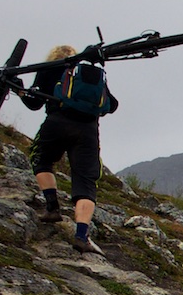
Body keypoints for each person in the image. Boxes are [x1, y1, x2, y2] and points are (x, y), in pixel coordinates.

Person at [24, 43, 118, 252]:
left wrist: (21, 92)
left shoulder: (47, 70)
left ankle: (52, 208)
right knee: (85, 181)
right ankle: (81, 236)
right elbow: (112, 105)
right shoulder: (87, 74)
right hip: (87, 131)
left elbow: (34, 104)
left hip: (56, 123)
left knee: (41, 159)